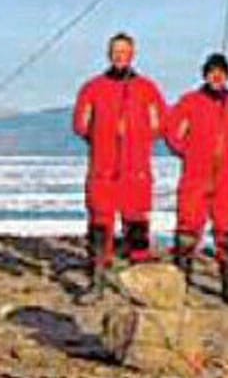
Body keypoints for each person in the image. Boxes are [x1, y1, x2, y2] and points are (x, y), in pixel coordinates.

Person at [72, 31, 168, 279]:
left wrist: (137, 138)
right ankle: (98, 265)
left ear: (133, 54)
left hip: (135, 167)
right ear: (108, 54)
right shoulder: (93, 88)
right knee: (101, 215)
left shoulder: (147, 89)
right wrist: (104, 137)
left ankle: (138, 266)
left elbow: (159, 124)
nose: (119, 56)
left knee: (136, 214)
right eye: (115, 51)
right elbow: (81, 125)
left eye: (124, 52)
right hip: (104, 166)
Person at [163, 52, 228, 303]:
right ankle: (181, 283)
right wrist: (188, 151)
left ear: (227, 76)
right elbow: (171, 130)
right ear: (205, 75)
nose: (216, 77)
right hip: (196, 174)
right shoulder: (190, 102)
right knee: (188, 228)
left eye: (221, 72)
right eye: (212, 72)